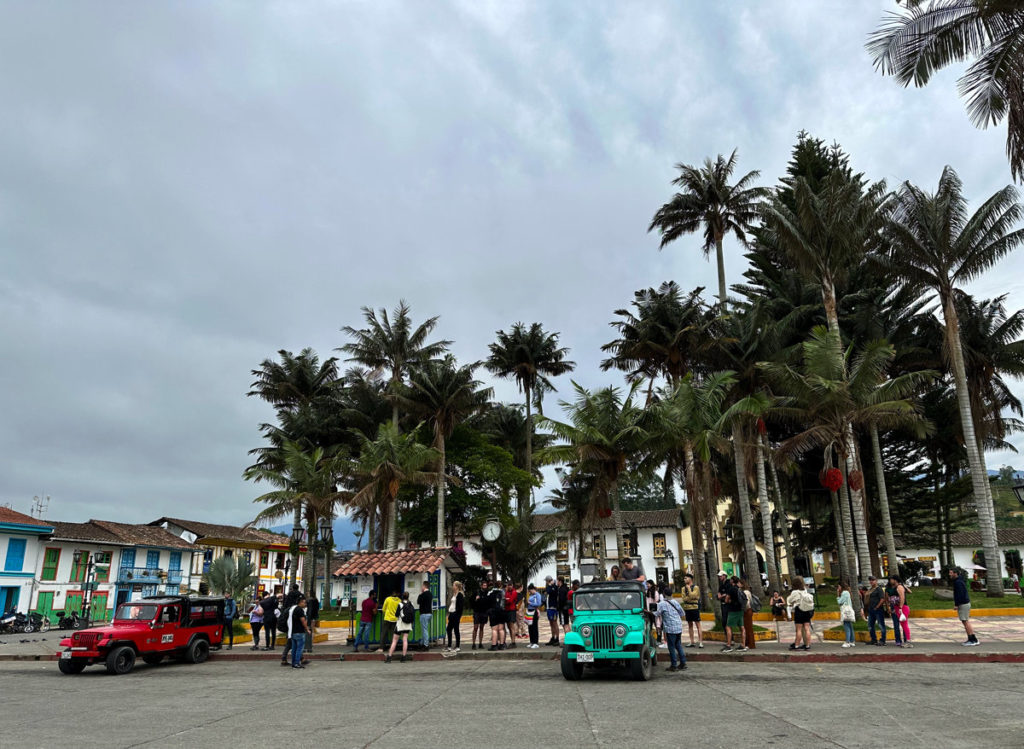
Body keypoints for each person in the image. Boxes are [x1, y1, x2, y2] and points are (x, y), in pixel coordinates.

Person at [656, 584, 688, 672]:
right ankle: (683, 663)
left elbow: (656, 614)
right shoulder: (675, 602)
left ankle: (674, 665)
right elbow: (682, 613)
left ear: (664, 594)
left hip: (670, 629)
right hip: (678, 627)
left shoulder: (662, 604)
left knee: (671, 647)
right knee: (678, 645)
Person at [949, 568, 979, 646]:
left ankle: (972, 640)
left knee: (965, 621)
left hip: (963, 604)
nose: (950, 574)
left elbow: (960, 594)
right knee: (965, 621)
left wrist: (956, 604)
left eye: (951, 573)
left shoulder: (958, 582)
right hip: (964, 603)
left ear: (955, 573)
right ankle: (972, 639)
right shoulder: (959, 581)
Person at [717, 571, 744, 652]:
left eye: (720, 576)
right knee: (741, 627)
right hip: (739, 609)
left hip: (732, 609)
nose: (719, 577)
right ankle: (743, 645)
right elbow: (720, 593)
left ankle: (729, 645)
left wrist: (723, 597)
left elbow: (727, 598)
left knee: (727, 625)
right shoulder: (738, 589)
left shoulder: (731, 588)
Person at [787, 576, 814, 651]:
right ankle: (807, 645)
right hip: (807, 611)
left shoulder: (795, 592)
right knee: (807, 629)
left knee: (798, 629)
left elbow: (789, 601)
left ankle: (796, 645)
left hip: (799, 610)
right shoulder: (805, 590)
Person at [386, 591, 414, 663]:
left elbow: (396, 615)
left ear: (402, 596)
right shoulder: (411, 604)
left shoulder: (400, 604)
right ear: (408, 597)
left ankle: (389, 657)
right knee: (405, 639)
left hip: (400, 624)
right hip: (408, 624)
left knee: (395, 640)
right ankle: (403, 657)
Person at [862, 575, 888, 646]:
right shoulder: (870, 589)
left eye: (873, 580)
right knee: (870, 625)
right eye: (870, 580)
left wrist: (877, 606)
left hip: (878, 610)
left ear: (876, 581)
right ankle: (873, 640)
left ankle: (883, 640)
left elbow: (882, 599)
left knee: (881, 625)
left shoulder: (878, 589)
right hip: (871, 610)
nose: (871, 581)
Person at [887, 575, 911, 648]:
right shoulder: (893, 588)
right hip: (896, 607)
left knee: (904, 625)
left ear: (895, 580)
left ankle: (908, 641)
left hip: (902, 608)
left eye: (891, 579)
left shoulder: (899, 587)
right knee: (902, 625)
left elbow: (902, 598)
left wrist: (900, 607)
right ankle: (906, 641)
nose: (890, 581)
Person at [681, 573, 703, 648]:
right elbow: (684, 598)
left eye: (686, 578)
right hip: (687, 608)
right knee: (690, 625)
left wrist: (689, 590)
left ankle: (700, 642)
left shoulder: (696, 587)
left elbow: (694, 596)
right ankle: (692, 641)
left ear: (690, 579)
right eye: (684, 578)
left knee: (698, 625)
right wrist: (690, 597)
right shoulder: (683, 588)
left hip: (695, 607)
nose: (684, 580)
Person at [288, 595, 308, 669]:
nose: (305, 604)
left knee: (294, 649)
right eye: (304, 603)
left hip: (293, 631)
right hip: (299, 632)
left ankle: (294, 663)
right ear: (300, 602)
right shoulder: (300, 610)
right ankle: (297, 663)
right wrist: (307, 629)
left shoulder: (293, 609)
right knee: (299, 649)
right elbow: (303, 620)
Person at [380, 589, 402, 655]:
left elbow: (383, 609)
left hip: (387, 619)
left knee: (384, 633)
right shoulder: (399, 601)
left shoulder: (388, 599)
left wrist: (386, 614)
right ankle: (392, 648)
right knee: (393, 635)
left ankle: (381, 648)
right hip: (395, 620)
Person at [471, 580, 491, 650]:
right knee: (475, 627)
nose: (485, 587)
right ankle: (473, 643)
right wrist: (475, 599)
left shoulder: (488, 593)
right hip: (477, 612)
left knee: (482, 627)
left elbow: (489, 602)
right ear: (481, 586)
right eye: (484, 585)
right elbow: (471, 601)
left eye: (486, 585)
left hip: (484, 612)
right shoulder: (476, 592)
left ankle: (480, 643)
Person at [445, 581, 464, 653]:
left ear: (456, 586)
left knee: (456, 630)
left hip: (456, 614)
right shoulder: (454, 594)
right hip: (452, 613)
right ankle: (449, 646)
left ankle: (457, 646)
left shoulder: (460, 595)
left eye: (453, 585)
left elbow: (460, 607)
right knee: (449, 629)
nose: (453, 586)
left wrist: (457, 614)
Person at [737, 578, 755, 650]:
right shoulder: (745, 591)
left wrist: (743, 609)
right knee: (746, 627)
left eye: (739, 583)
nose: (738, 584)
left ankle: (750, 644)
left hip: (747, 610)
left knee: (748, 627)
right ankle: (748, 642)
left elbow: (747, 602)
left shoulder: (745, 592)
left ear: (742, 584)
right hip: (748, 610)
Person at [836, 582, 856, 648]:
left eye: (839, 587)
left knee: (846, 626)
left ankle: (847, 642)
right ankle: (852, 641)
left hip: (846, 612)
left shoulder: (844, 593)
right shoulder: (847, 592)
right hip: (848, 610)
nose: (838, 588)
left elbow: (840, 602)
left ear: (842, 587)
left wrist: (838, 595)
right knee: (850, 626)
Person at [544, 576, 561, 646]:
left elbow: (549, 591)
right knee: (551, 623)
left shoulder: (554, 587)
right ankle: (553, 637)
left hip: (553, 608)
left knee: (554, 623)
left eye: (547, 581)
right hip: (549, 608)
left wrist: (551, 585)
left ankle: (557, 638)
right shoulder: (550, 587)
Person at [417, 582, 433, 650]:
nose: (421, 587)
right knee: (425, 629)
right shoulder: (430, 594)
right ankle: (422, 643)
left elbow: (418, 601)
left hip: (424, 614)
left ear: (424, 586)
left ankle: (426, 645)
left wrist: (420, 594)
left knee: (425, 630)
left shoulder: (423, 594)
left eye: (422, 586)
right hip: (429, 613)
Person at [526, 583, 542, 648]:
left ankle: (536, 642)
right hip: (529, 611)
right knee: (530, 627)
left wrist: (530, 603)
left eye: (530, 591)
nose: (529, 592)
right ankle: (531, 641)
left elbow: (538, 603)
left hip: (534, 611)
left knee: (534, 626)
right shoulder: (531, 595)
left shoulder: (537, 595)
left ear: (533, 589)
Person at [504, 581, 518, 648]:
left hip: (511, 610)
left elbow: (510, 601)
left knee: (512, 626)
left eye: (510, 585)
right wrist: (506, 599)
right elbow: (504, 599)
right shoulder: (506, 592)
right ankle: (512, 641)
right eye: (508, 585)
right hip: (506, 610)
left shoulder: (514, 592)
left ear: (512, 585)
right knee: (509, 626)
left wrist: (506, 599)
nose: (509, 586)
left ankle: (513, 642)